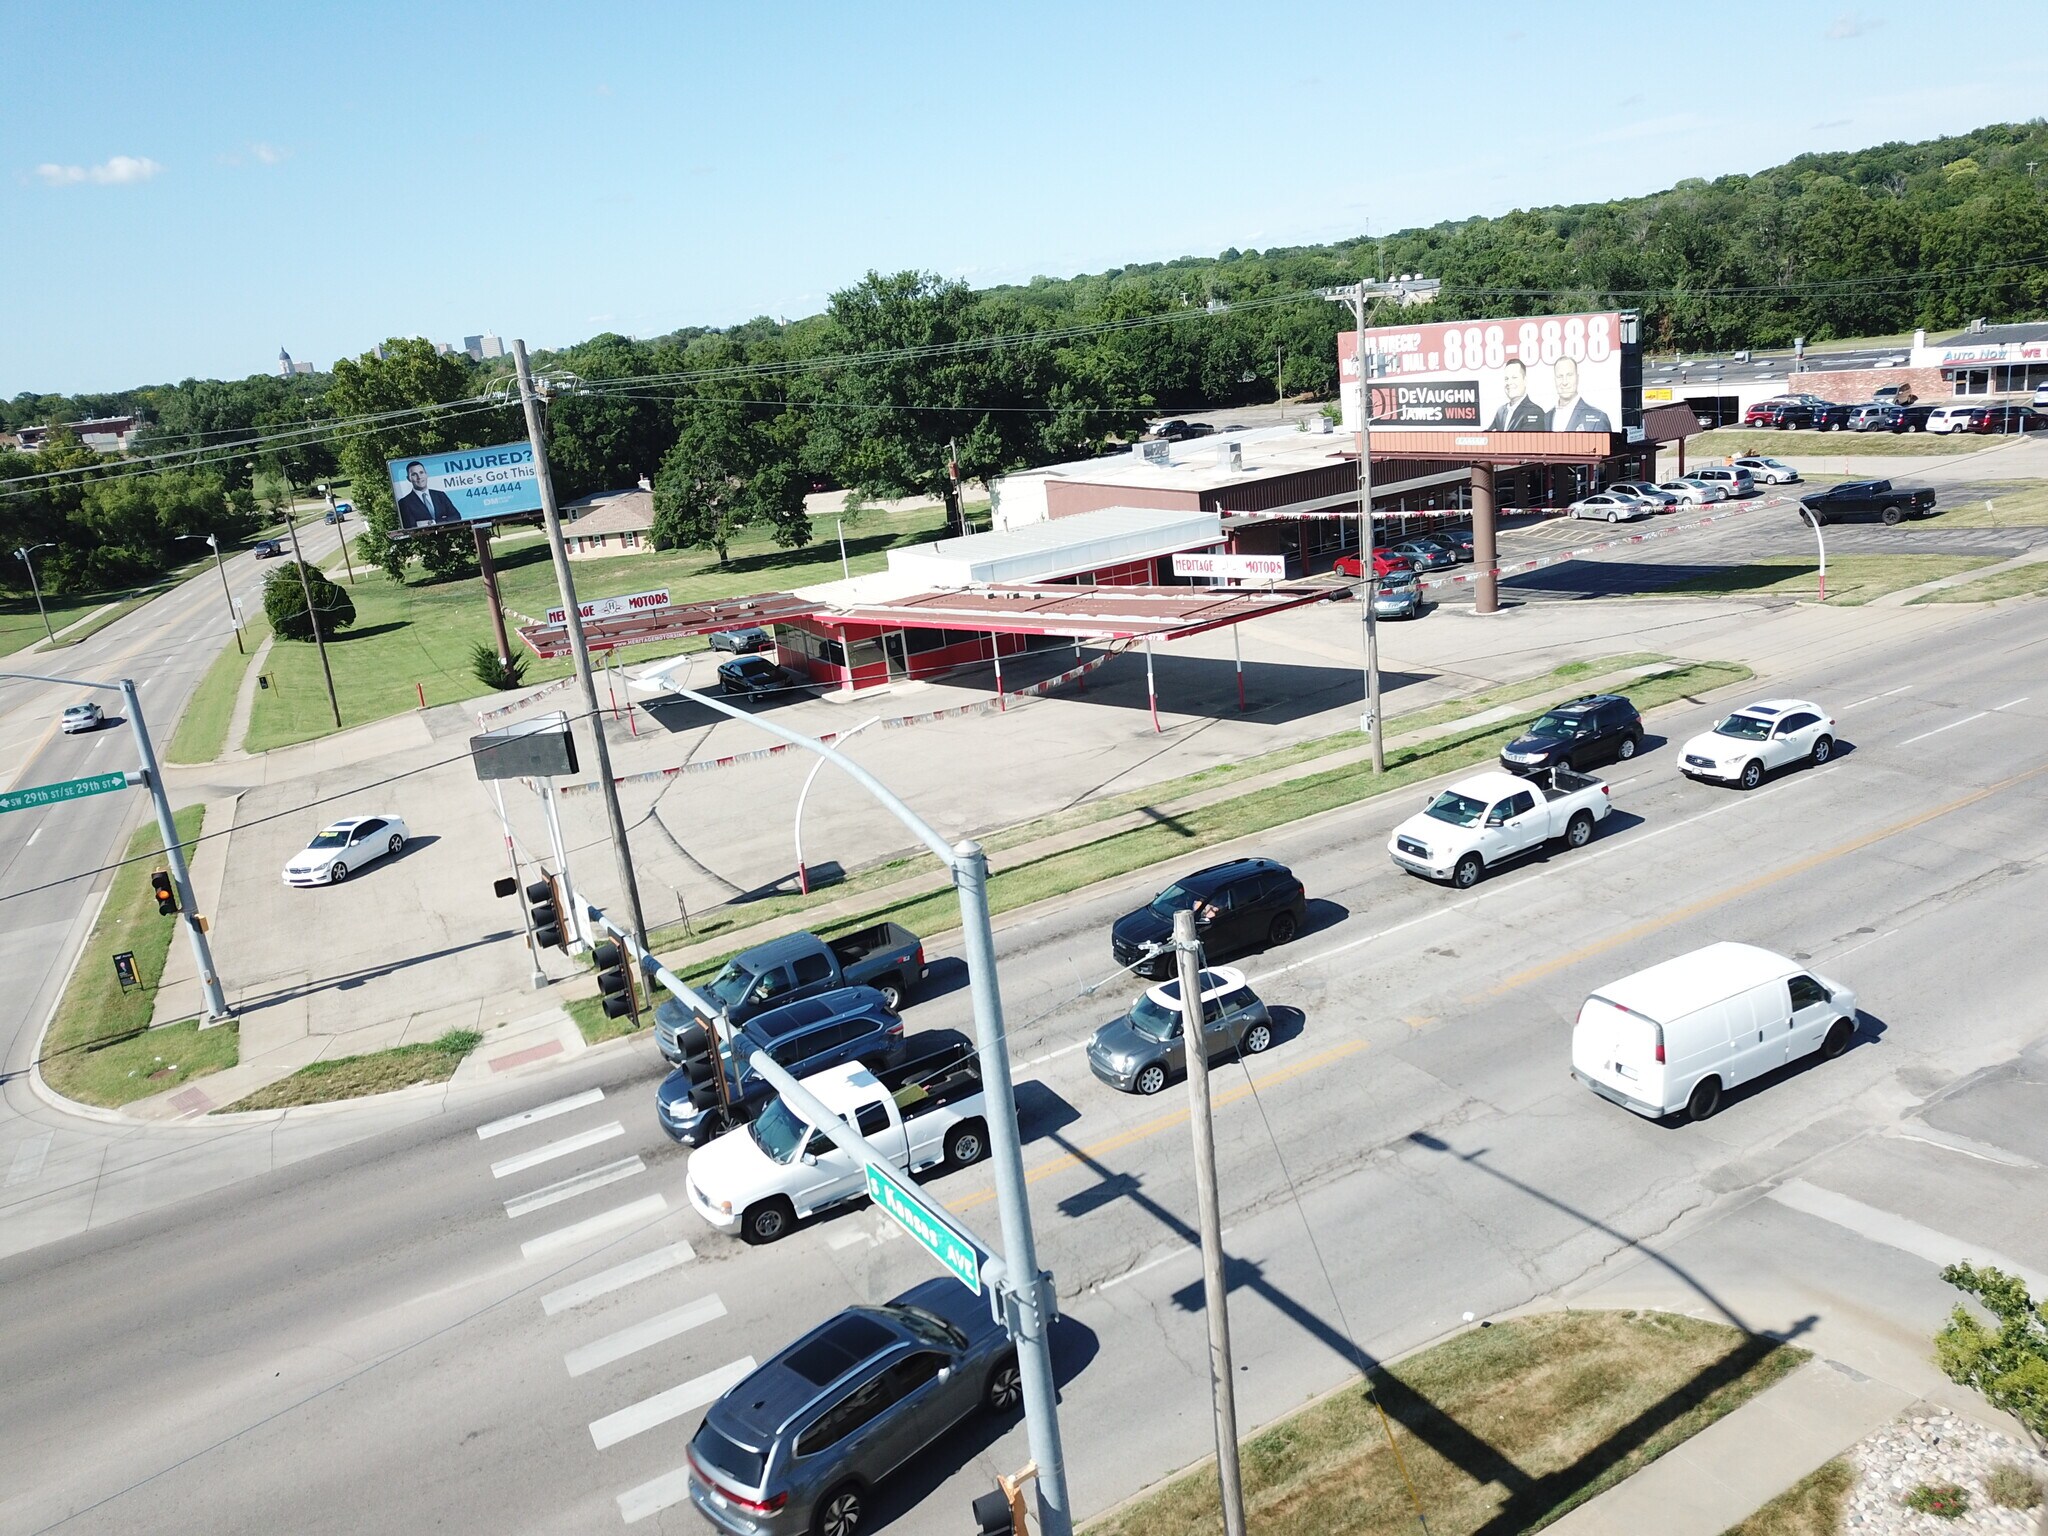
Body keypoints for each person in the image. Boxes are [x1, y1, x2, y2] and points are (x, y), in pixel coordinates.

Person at [1550, 356, 1613, 432]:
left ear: (1577, 378)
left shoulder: (1598, 418)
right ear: (1554, 380)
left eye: (1569, 375)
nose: (1564, 382)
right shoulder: (1546, 417)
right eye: (1560, 376)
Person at [1487, 358, 1550, 432]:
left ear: (1525, 381)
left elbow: (1526, 442)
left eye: (1514, 377)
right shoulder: (1500, 412)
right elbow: (1487, 438)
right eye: (1506, 378)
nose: (1509, 382)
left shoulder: (1535, 412)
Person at [395, 460, 462, 527]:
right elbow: (410, 526)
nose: (419, 477)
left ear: (426, 474)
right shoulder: (404, 503)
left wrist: (434, 522)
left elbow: (456, 517)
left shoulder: (440, 495)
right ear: (408, 479)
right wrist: (444, 520)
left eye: (421, 472)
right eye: (414, 474)